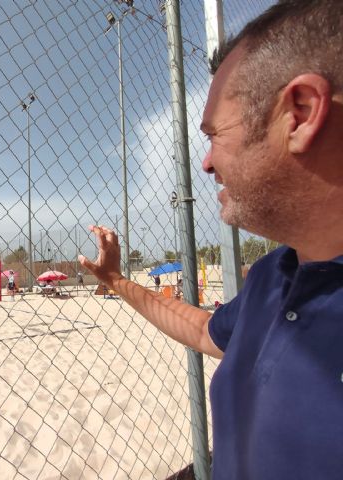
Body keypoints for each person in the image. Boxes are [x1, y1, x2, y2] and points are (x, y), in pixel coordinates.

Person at [79, 2, 343, 478]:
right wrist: (116, 280)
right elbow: (206, 331)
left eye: (215, 134)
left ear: (300, 113)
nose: (205, 163)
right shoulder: (273, 273)